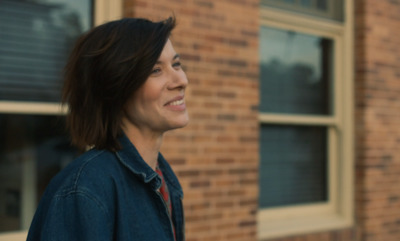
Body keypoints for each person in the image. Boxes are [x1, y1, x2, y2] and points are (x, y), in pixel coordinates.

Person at [27, 16, 188, 241]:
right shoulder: (85, 191)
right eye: (155, 70)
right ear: (116, 86)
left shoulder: (163, 181)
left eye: (176, 64)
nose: (181, 80)